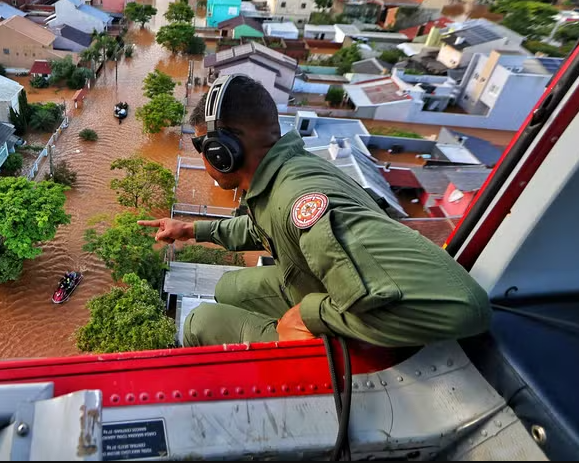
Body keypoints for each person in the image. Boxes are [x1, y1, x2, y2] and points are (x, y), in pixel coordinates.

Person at [139, 74, 491, 348]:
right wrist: (191, 230)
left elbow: (465, 307)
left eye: (202, 145)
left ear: (222, 150)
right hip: (314, 284)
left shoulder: (299, 201)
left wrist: (310, 316)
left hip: (342, 309)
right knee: (229, 287)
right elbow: (264, 226)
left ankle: (294, 352)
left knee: (199, 322)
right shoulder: (280, 175)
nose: (203, 154)